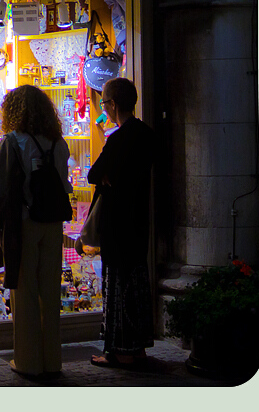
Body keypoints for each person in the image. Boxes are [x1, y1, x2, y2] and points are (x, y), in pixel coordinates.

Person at [0, 84, 71, 379]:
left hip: (23, 222)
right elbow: (65, 182)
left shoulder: (14, 140)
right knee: (50, 291)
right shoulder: (59, 142)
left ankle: (28, 361)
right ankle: (52, 360)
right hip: (53, 222)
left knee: (23, 290)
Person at [86, 77, 156, 369]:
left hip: (116, 222)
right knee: (137, 281)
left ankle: (119, 349)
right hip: (139, 219)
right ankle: (137, 346)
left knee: (116, 285)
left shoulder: (118, 138)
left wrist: (107, 174)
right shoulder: (147, 134)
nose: (104, 107)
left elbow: (94, 174)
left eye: (104, 102)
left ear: (112, 105)